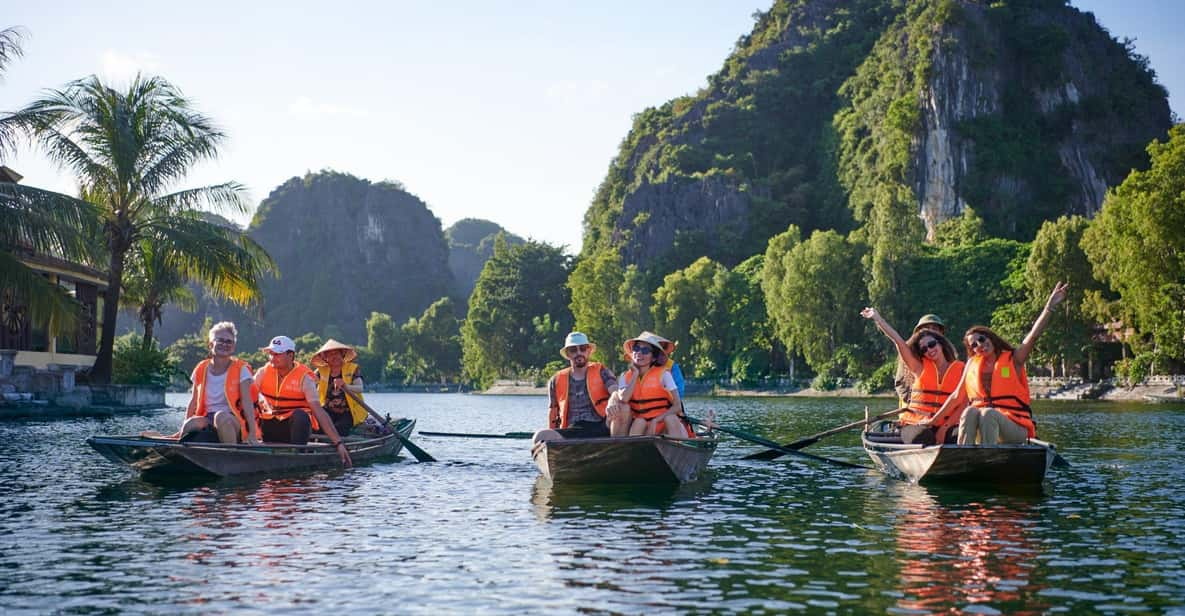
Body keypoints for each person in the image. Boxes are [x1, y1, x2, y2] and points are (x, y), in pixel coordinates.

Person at [924, 282, 1070, 445]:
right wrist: (933, 421)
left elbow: (1033, 336)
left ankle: (989, 459)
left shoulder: (1014, 359)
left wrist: (1049, 308)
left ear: (989, 338)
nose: (979, 345)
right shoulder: (972, 364)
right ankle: (964, 458)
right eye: (974, 345)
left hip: (1015, 427)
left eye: (981, 339)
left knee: (988, 414)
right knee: (970, 411)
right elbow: (956, 397)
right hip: (985, 425)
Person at [861, 308, 964, 445]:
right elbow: (898, 341)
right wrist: (877, 318)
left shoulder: (961, 368)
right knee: (923, 436)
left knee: (959, 437)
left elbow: (963, 403)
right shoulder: (918, 367)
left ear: (940, 341)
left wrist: (943, 429)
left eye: (932, 344)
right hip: (916, 422)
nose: (929, 350)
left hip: (945, 423)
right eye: (924, 349)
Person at [254, 335, 352, 467]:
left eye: (277, 354)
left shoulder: (305, 378)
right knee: (253, 408)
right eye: (271, 354)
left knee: (300, 416)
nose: (272, 357)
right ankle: (249, 447)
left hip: (293, 431)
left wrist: (338, 443)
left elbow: (318, 410)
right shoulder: (263, 372)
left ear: (290, 355)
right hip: (270, 427)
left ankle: (297, 457)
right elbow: (246, 398)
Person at [176, 321, 260, 444]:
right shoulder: (201, 368)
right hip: (208, 418)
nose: (224, 344)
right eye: (220, 340)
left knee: (221, 416)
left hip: (233, 420)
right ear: (211, 344)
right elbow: (193, 401)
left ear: (233, 347)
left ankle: (232, 455)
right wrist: (183, 426)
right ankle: (182, 450)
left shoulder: (241, 369)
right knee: (191, 423)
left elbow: (247, 403)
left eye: (229, 341)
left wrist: (252, 433)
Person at [534, 332, 624, 442]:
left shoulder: (602, 371)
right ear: (568, 354)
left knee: (624, 409)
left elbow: (615, 390)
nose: (579, 353)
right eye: (573, 350)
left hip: (601, 425)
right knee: (539, 436)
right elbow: (553, 411)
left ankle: (616, 448)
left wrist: (613, 399)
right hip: (572, 430)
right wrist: (551, 440)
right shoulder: (555, 380)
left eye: (582, 348)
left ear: (589, 351)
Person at [619, 331, 691, 438]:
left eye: (645, 350)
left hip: (664, 423)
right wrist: (635, 375)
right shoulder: (625, 376)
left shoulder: (664, 375)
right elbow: (624, 399)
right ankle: (635, 450)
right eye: (636, 349)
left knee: (670, 418)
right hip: (642, 425)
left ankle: (675, 448)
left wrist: (656, 420)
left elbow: (677, 406)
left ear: (653, 358)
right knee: (639, 422)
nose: (639, 353)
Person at [310, 339, 367, 438]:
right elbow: (309, 383)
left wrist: (345, 386)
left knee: (340, 429)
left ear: (342, 355)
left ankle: (337, 447)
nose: (334, 357)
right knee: (316, 427)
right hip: (327, 409)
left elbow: (360, 388)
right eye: (330, 355)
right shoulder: (320, 371)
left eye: (336, 353)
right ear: (325, 358)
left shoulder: (352, 369)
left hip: (349, 411)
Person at [894, 314, 947, 405]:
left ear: (941, 332)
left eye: (934, 328)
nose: (930, 331)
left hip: (941, 406)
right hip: (913, 406)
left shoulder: (947, 352)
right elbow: (900, 384)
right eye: (926, 328)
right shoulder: (909, 352)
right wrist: (916, 402)